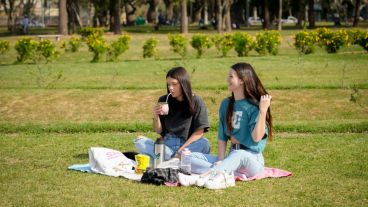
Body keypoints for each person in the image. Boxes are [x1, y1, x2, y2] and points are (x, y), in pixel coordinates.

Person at [178, 62, 273, 189]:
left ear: (242, 80)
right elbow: (222, 136)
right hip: (231, 156)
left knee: (239, 154)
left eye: (231, 76)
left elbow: (256, 138)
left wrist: (262, 111)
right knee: (188, 157)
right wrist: (221, 159)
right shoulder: (226, 104)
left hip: (251, 160)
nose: (227, 79)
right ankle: (226, 171)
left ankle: (202, 177)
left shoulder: (254, 107)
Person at [134, 66, 211, 166]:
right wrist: (156, 115)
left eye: (174, 84)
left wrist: (180, 152)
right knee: (139, 141)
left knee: (204, 143)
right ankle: (175, 161)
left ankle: (163, 161)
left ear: (183, 84)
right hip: (167, 145)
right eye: (168, 84)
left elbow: (199, 132)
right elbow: (159, 131)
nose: (170, 88)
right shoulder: (164, 99)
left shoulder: (196, 101)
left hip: (186, 146)